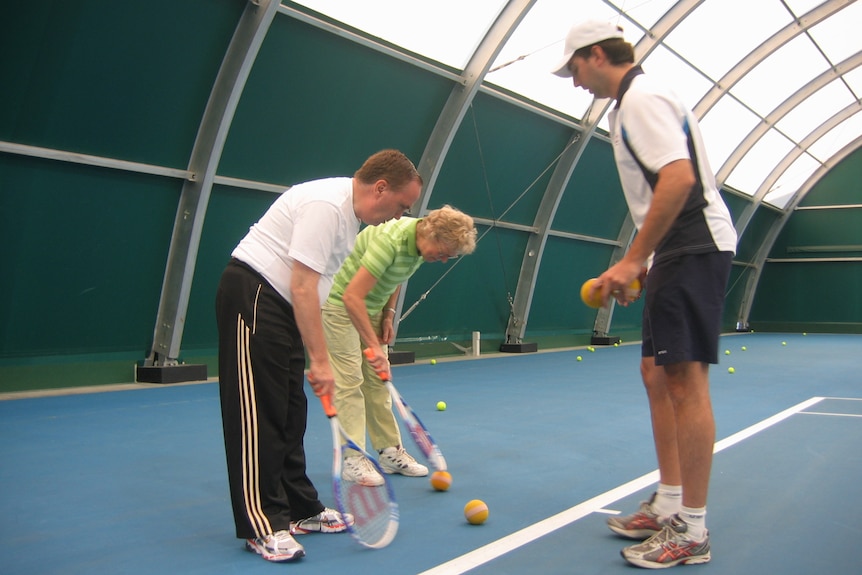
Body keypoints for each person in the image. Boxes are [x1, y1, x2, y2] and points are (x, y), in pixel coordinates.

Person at [553, 20, 737, 569]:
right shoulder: (631, 104)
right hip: (674, 251)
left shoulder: (642, 97)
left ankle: (693, 530)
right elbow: (661, 188)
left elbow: (678, 180)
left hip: (694, 241)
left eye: (576, 68)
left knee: (684, 378)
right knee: (656, 373)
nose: (575, 80)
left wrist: (634, 259)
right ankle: (671, 501)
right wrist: (646, 266)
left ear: (600, 54)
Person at [215, 149, 422, 562]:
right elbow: (304, 285)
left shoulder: (350, 221)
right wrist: (321, 361)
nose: (400, 216)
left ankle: (299, 509)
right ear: (380, 188)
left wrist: (369, 347)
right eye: (402, 205)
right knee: (259, 416)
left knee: (291, 411)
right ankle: (262, 524)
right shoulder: (327, 206)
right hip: (255, 298)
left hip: (284, 310)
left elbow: (326, 291)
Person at [322, 205, 477, 486]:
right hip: (340, 305)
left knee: (378, 383)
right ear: (430, 231)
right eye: (443, 253)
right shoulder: (390, 241)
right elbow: (351, 298)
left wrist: (388, 314)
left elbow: (395, 278)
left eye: (448, 256)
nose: (442, 260)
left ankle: (389, 451)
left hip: (372, 308)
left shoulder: (419, 247)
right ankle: (353, 458)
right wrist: (374, 349)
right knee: (350, 381)